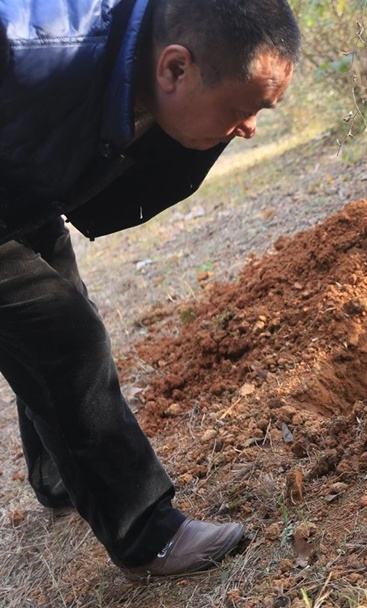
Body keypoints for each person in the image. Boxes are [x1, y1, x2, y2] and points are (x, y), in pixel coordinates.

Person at [0, 0, 301, 579]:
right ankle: (146, 534)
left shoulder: (131, 52)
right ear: (175, 69)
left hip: (19, 180)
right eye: (240, 108)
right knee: (64, 334)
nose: (249, 128)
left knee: (57, 313)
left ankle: (60, 474)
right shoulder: (32, 57)